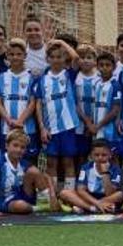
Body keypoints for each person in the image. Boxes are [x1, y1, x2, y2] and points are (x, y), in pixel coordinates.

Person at [34, 40, 81, 193]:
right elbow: (39, 104)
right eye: (52, 57)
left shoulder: (68, 74)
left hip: (68, 126)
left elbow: (76, 58)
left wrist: (61, 42)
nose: (56, 60)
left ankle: (70, 195)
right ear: (47, 59)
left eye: (59, 57)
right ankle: (52, 196)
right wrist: (42, 127)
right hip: (50, 128)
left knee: (68, 161)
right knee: (51, 163)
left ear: (63, 58)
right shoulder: (42, 80)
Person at [0, 129, 59, 215]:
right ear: (6, 146)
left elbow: (45, 176)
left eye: (22, 147)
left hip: (22, 194)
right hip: (5, 200)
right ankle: (38, 208)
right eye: (15, 145)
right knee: (21, 206)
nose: (18, 150)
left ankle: (46, 203)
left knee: (34, 172)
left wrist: (52, 195)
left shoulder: (23, 162)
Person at [0, 38, 39, 162]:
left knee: (28, 162)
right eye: (12, 54)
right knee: (7, 161)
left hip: (27, 127)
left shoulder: (32, 77)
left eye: (19, 54)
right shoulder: (1, 77)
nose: (15, 57)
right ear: (7, 56)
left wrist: (20, 121)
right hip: (6, 127)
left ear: (25, 55)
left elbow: (32, 102)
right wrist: (8, 120)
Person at [60, 139, 123, 214]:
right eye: (96, 155)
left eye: (104, 155)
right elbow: (81, 190)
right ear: (91, 155)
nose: (100, 158)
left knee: (120, 195)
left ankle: (85, 207)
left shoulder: (116, 169)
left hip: (107, 198)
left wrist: (105, 173)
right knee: (64, 193)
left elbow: (109, 193)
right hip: (90, 197)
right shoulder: (86, 168)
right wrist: (97, 203)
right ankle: (93, 208)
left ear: (110, 154)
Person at [91, 52, 122, 161]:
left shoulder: (115, 85)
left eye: (108, 65)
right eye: (101, 65)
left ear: (114, 67)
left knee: (113, 159)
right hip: (97, 130)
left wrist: (99, 125)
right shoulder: (96, 84)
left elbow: (115, 110)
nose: (104, 68)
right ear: (97, 66)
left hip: (110, 131)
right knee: (100, 159)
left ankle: (116, 178)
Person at [73, 45, 100, 165]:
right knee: (81, 155)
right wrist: (86, 121)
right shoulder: (75, 77)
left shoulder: (100, 77)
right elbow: (74, 102)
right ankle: (80, 180)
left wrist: (93, 122)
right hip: (80, 122)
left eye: (89, 57)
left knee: (99, 154)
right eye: (82, 57)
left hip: (98, 123)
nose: (85, 60)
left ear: (95, 61)